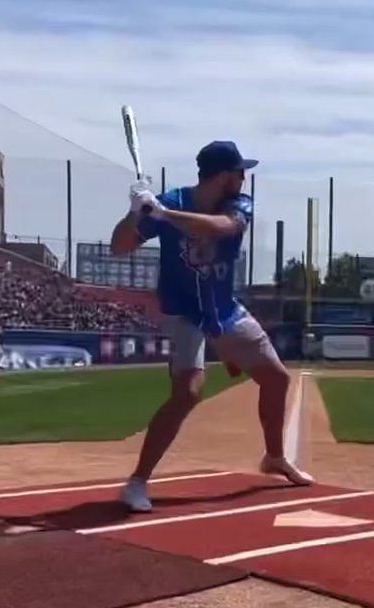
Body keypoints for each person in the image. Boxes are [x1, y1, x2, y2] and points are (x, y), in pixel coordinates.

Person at [110, 139, 314, 512]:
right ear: (224, 175)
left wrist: (164, 215)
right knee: (188, 392)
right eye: (240, 172)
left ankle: (274, 458)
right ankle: (137, 482)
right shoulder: (169, 202)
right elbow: (118, 247)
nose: (244, 179)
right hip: (183, 311)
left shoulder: (234, 206)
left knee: (277, 378)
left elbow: (221, 228)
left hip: (223, 308)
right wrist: (135, 212)